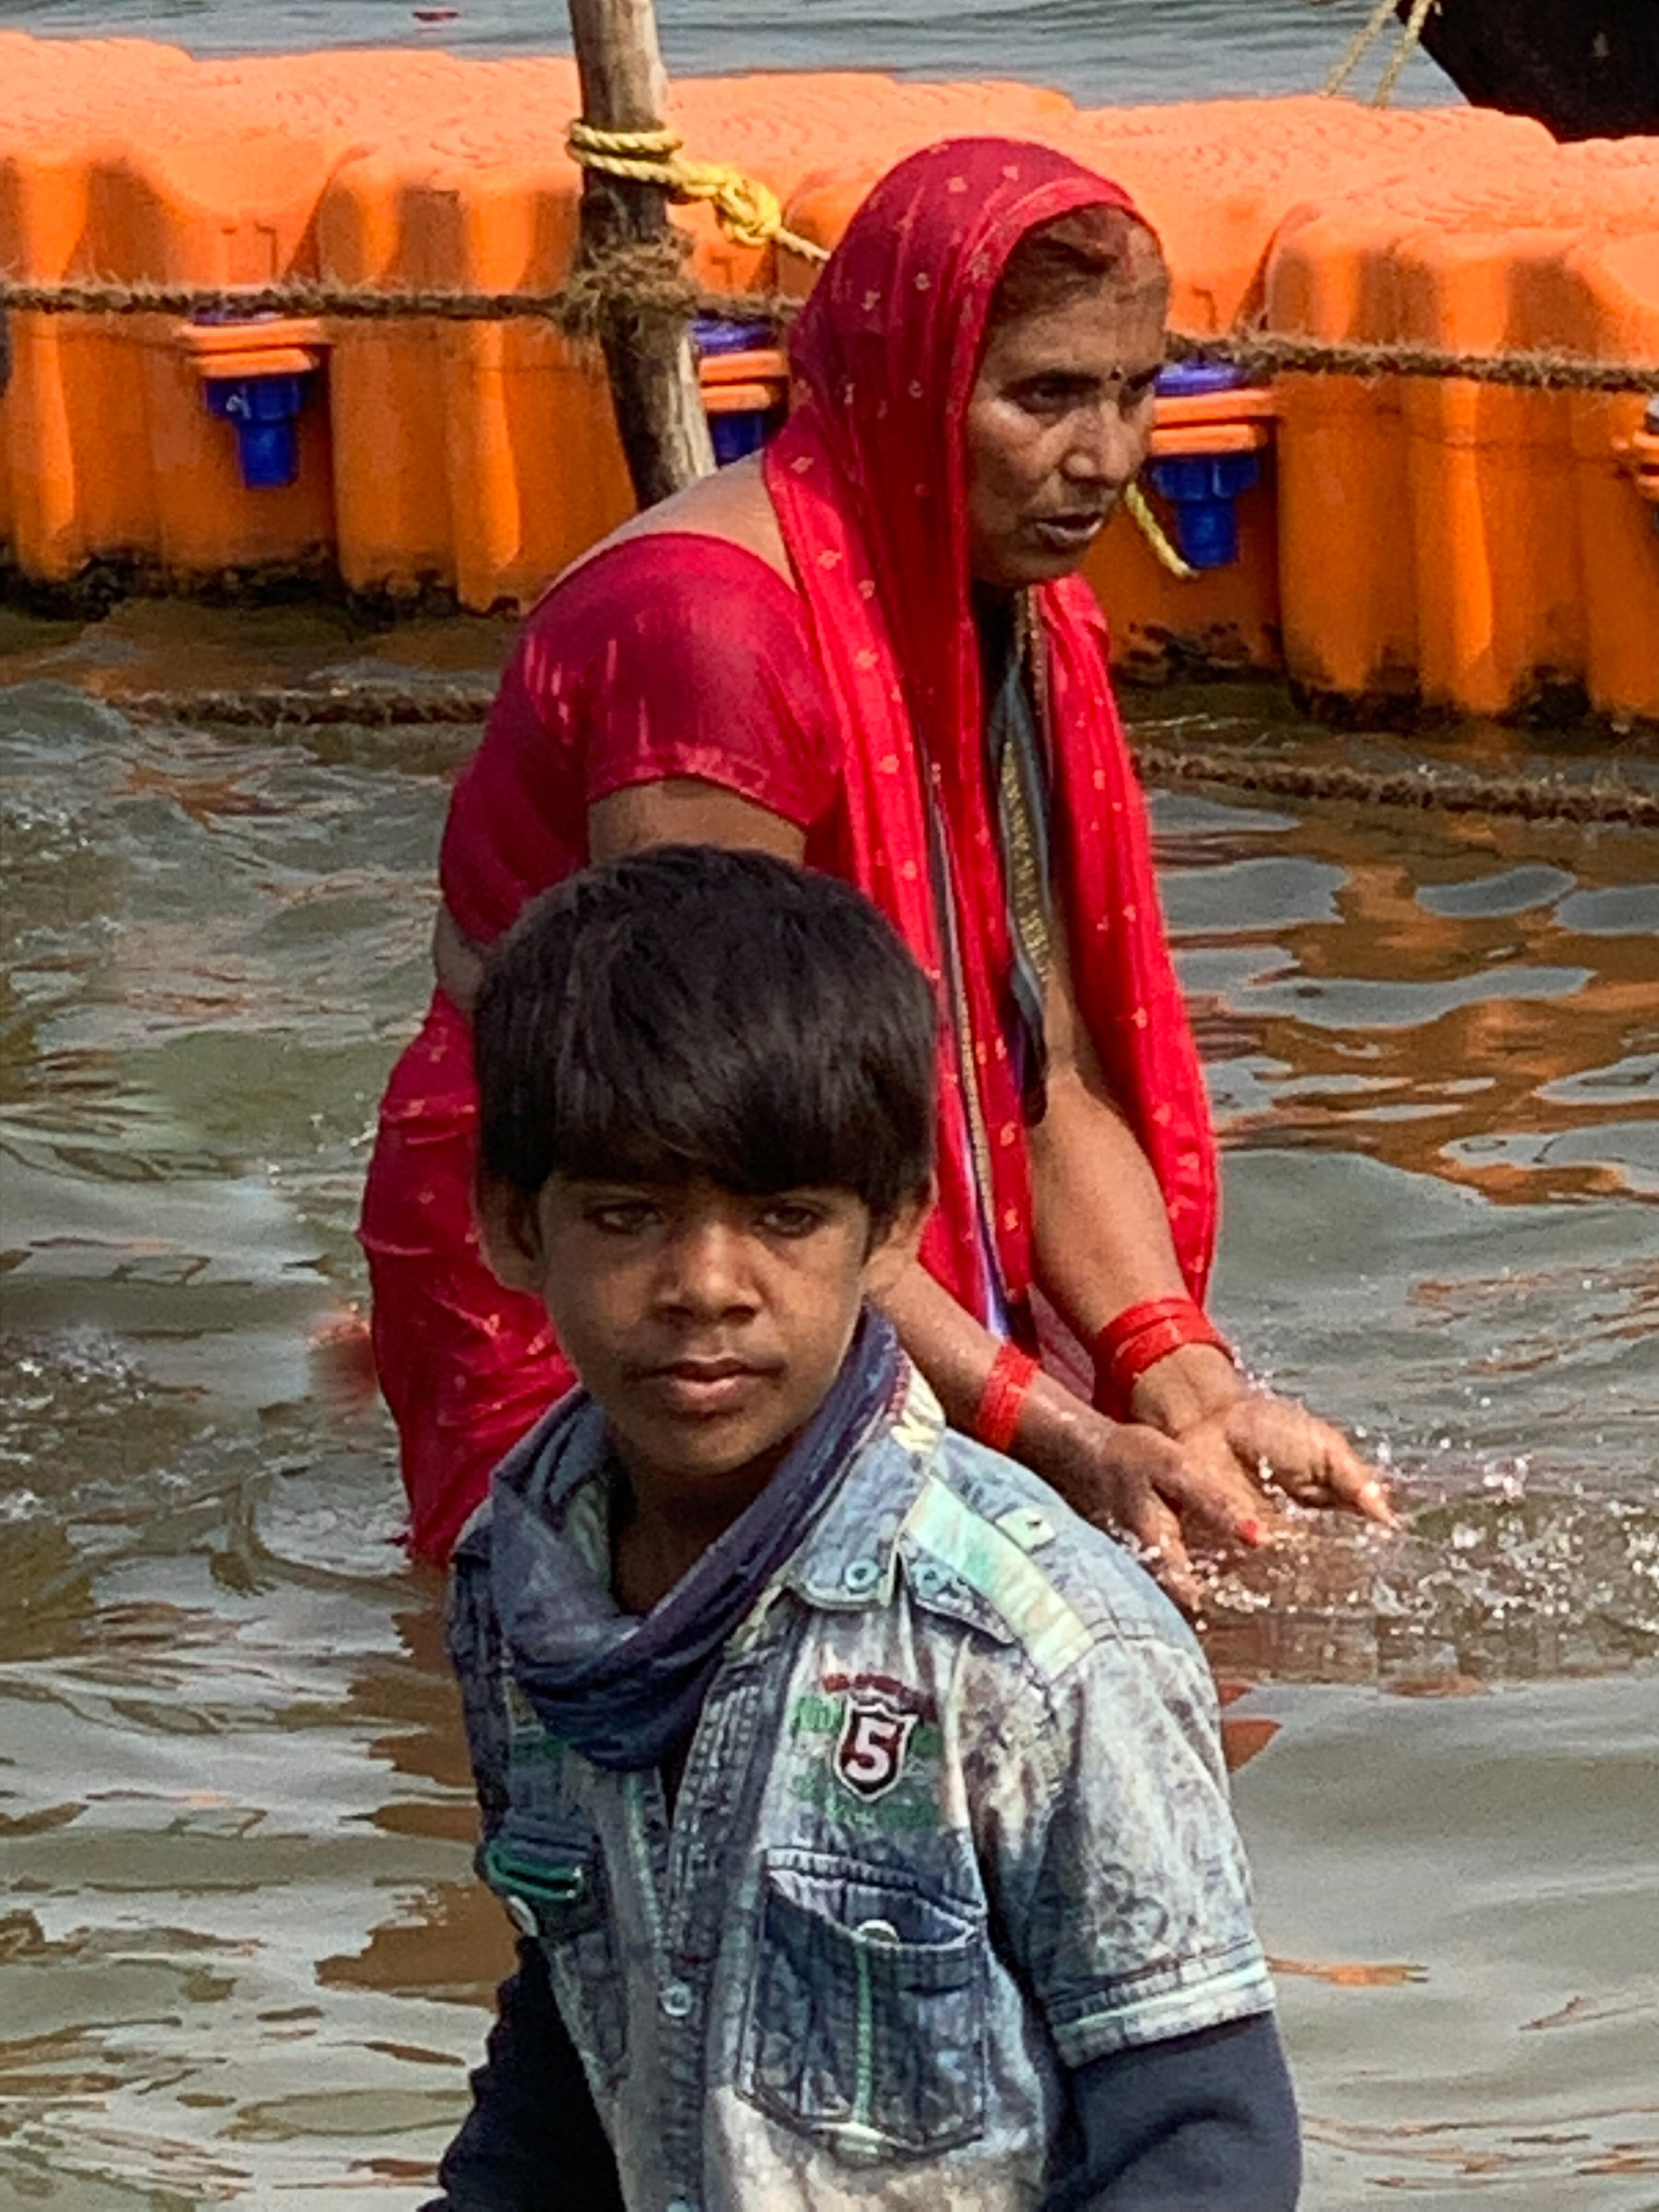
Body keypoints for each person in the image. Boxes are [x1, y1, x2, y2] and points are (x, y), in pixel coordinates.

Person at [362, 134, 1396, 1589]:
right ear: (910, 383)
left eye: (1132, 389)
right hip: (624, 1231)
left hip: (829, 1213)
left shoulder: (1010, 614)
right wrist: (1049, 1432)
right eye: (1042, 395)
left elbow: (1035, 1069)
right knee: (593, 1651)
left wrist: (1183, 1384)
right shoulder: (710, 645)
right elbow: (715, 1136)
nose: (1102, 456)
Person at [429, 844, 1301, 2212]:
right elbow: (575, 2035)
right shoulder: (521, 1584)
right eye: (626, 1214)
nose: (705, 1284)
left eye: (783, 1216)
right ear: (508, 1225)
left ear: (889, 1226)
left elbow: (1199, 2140)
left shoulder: (1031, 1639)